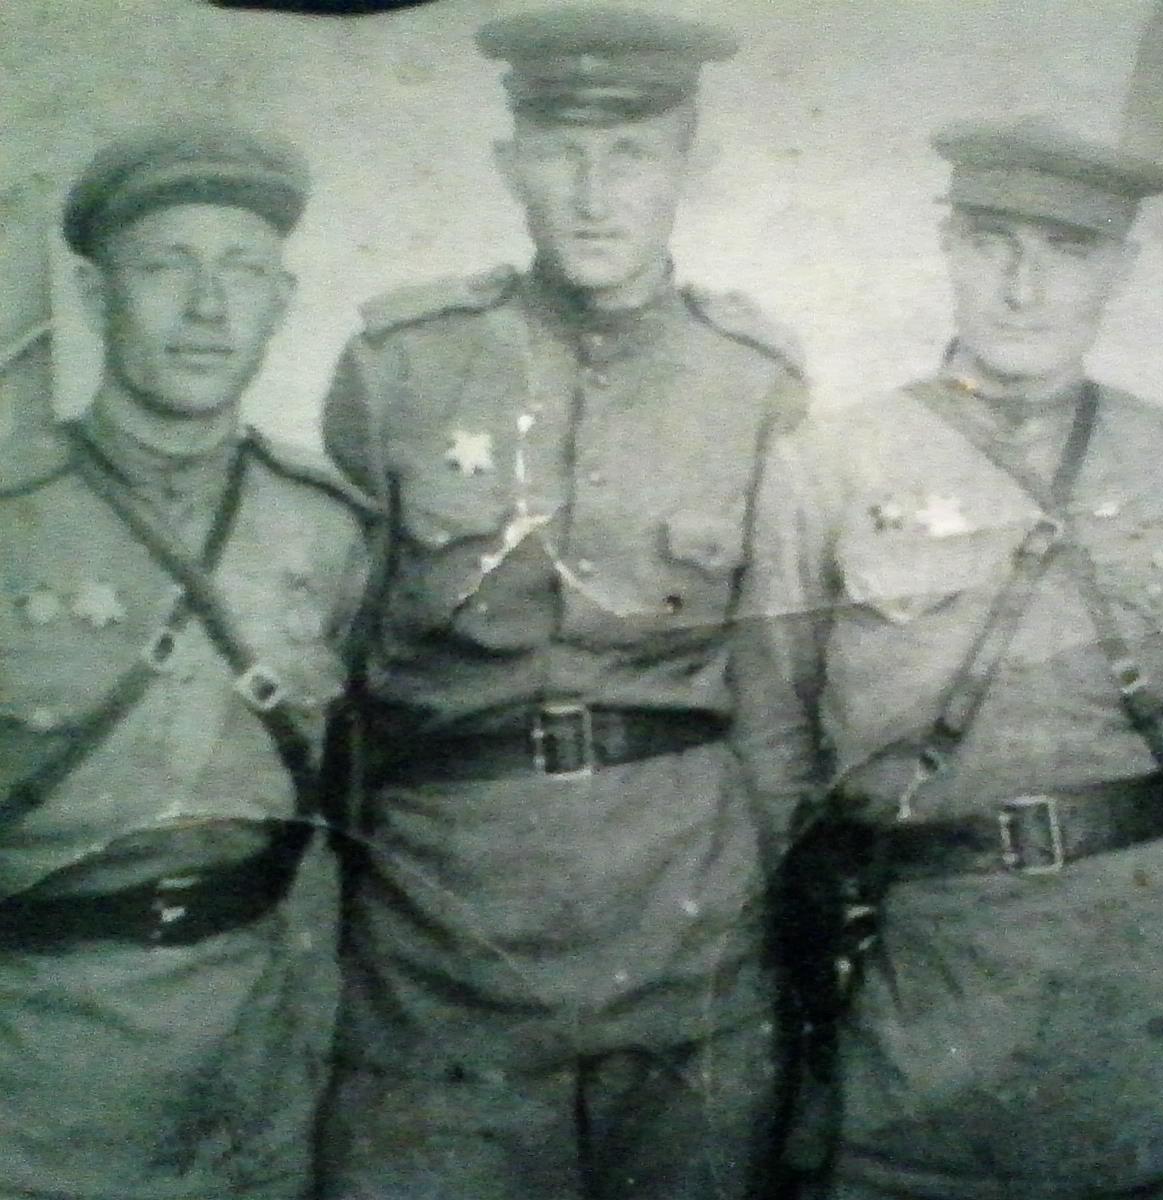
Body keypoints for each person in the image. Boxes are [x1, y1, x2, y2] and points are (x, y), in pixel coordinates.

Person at [315, 7, 807, 1199]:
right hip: (443, 943)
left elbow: (774, 698)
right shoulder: (401, 366)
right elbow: (337, 674)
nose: (594, 194)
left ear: (687, 167)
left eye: (630, 154)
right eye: (559, 153)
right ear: (509, 164)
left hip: (681, 934)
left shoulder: (753, 382)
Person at [737, 114, 1163, 1200]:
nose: (1024, 289)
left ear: (1120, 271)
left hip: (1139, 967)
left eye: (1068, 252)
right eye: (993, 245)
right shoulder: (830, 464)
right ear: (948, 247)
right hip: (926, 967)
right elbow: (774, 738)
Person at [0, 126, 370, 1199]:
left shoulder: (327, 527)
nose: (208, 309)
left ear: (280, 301)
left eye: (242, 271)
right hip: (37, 1065)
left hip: (253, 1064)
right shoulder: (14, 516)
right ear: (93, 291)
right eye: (166, 267)